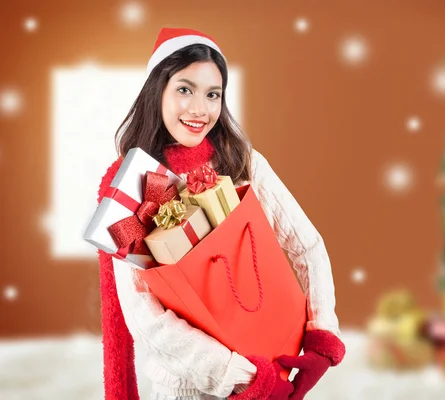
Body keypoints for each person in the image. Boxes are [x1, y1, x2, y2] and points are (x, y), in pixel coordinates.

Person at [96, 27, 345, 400]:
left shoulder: (242, 160)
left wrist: (321, 333)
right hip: (186, 389)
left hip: (273, 362)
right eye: (184, 89)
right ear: (156, 90)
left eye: (213, 94)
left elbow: (306, 244)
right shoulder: (132, 188)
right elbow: (145, 319)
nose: (201, 109)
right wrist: (244, 378)